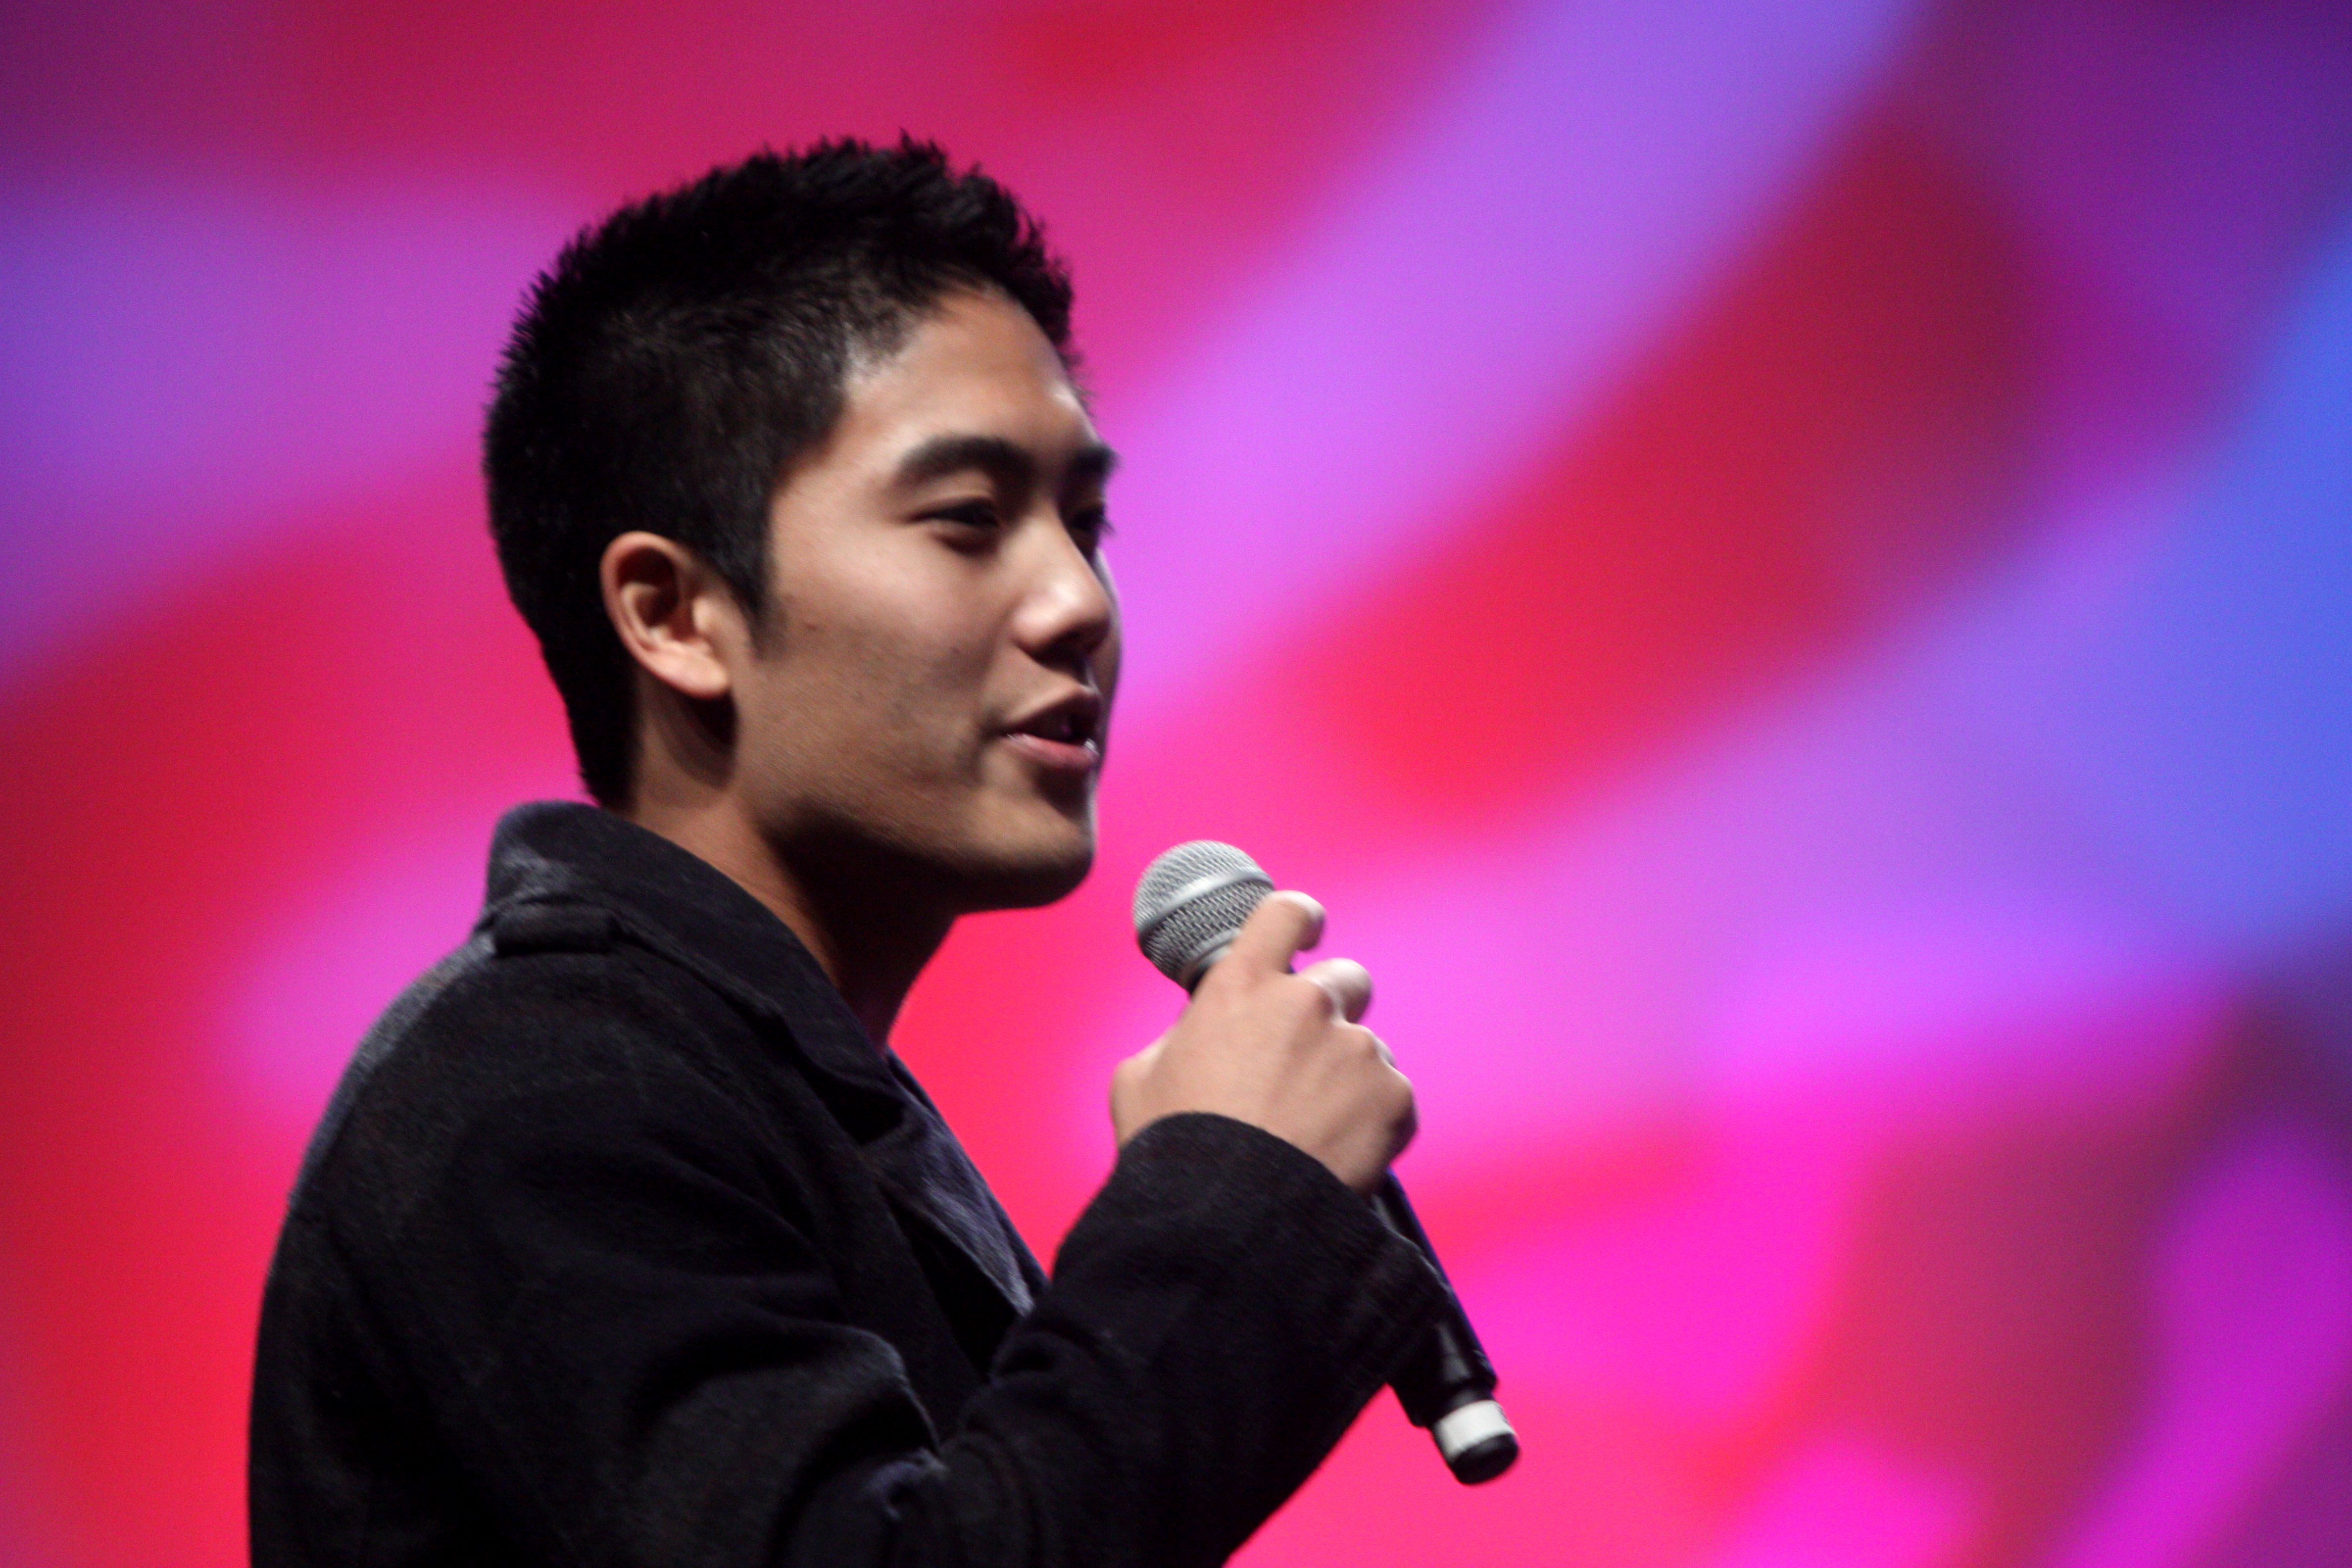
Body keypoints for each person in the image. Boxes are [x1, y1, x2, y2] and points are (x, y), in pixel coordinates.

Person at [248, 139, 1440, 1568]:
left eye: (1086, 523)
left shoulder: (732, 1077)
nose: (1078, 600)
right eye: (968, 522)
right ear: (674, 615)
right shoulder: (539, 1086)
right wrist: (1232, 1194)